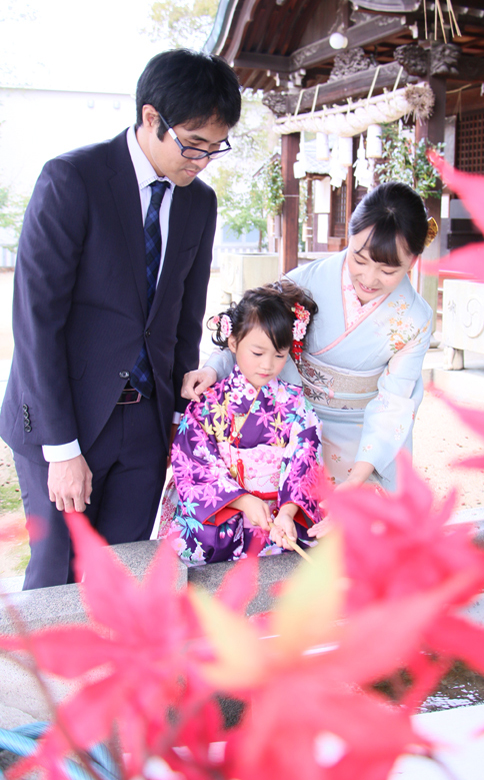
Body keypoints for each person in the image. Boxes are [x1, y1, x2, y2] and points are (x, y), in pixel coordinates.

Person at [0, 49, 241, 589]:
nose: (201, 160)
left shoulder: (199, 203)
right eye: (193, 144)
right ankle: (52, 676)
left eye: (214, 147)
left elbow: (184, 312)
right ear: (151, 118)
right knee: (56, 574)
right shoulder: (72, 180)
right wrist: (61, 449)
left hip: (146, 421)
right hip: (67, 419)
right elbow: (37, 321)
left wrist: (181, 415)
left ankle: (114, 673)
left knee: (122, 571)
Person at [185, 182, 435, 500]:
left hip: (366, 437)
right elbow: (253, 334)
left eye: (388, 270)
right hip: (295, 423)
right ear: (350, 239)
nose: (370, 278)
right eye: (360, 260)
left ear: (412, 260)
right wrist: (213, 369)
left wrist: (359, 473)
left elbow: (394, 402)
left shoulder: (415, 318)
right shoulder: (306, 282)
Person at [158, 281, 323, 565]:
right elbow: (192, 464)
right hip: (221, 517)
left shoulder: (296, 404)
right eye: (258, 353)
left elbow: (304, 462)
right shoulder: (207, 405)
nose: (267, 365)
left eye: (279, 354)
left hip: (278, 520)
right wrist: (243, 501)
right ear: (233, 342)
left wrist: (287, 512)